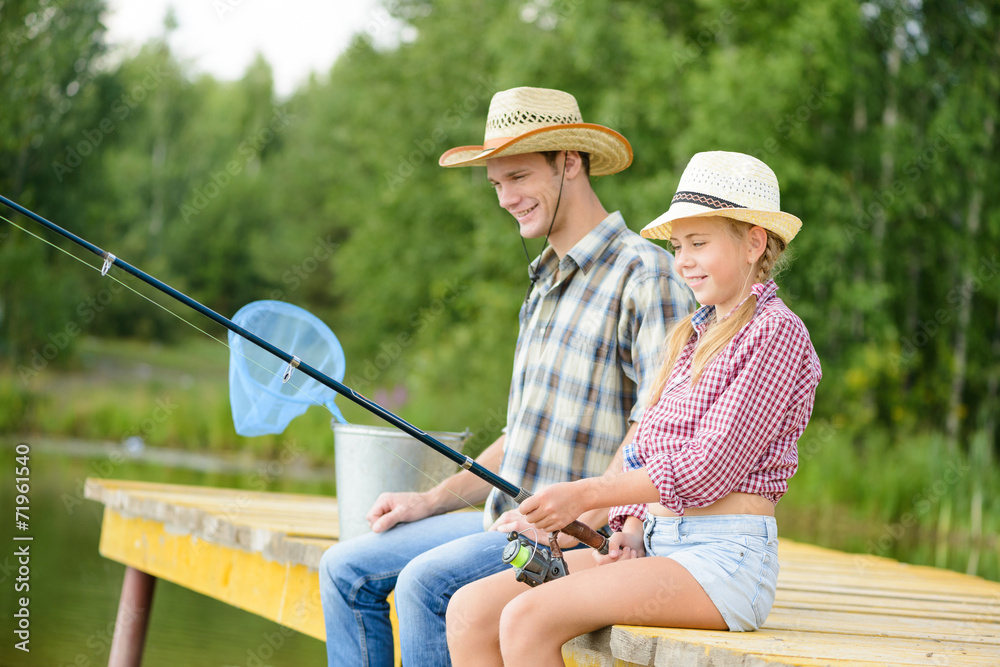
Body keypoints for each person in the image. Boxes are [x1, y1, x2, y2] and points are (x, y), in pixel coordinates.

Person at [318, 86, 695, 666]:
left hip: (572, 542)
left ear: (570, 161)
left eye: (518, 177)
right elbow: (519, 444)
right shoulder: (542, 282)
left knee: (426, 585)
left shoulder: (646, 274)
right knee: (344, 568)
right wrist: (431, 500)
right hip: (501, 525)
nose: (506, 199)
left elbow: (656, 434)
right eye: (497, 184)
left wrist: (578, 520)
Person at [445, 150, 823, 667]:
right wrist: (625, 525)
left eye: (698, 243)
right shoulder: (689, 335)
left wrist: (585, 495)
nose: (683, 260)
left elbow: (705, 468)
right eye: (677, 246)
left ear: (754, 241)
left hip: (723, 563)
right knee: (471, 610)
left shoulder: (776, 333)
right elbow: (648, 449)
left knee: (526, 618)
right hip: (659, 546)